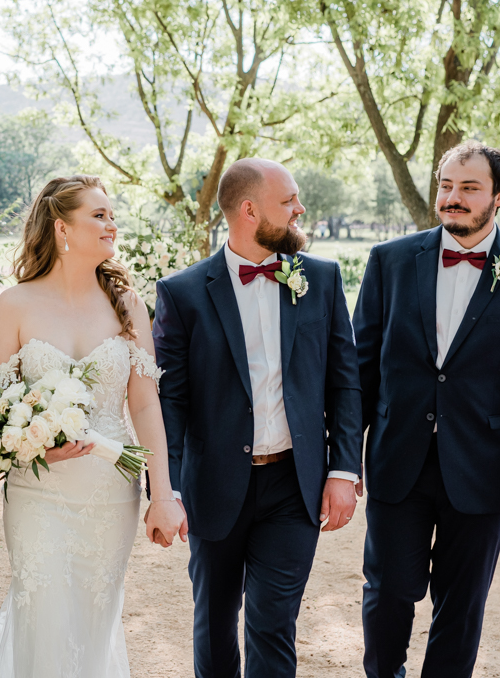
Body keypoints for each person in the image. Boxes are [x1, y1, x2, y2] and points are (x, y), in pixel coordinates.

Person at [353, 141, 500, 678]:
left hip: (484, 466)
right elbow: (359, 372)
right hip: (397, 459)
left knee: (462, 603)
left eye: (469, 187)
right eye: (446, 185)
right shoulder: (389, 261)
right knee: (387, 591)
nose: (452, 197)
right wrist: (340, 462)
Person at [152, 158, 362, 677]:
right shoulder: (182, 293)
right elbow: (170, 402)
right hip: (214, 484)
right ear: (249, 210)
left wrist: (343, 469)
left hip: (294, 484)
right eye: (288, 201)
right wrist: (166, 488)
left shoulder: (321, 278)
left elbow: (344, 381)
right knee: (215, 621)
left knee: (273, 622)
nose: (300, 209)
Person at [0, 175, 184, 678]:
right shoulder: (15, 304)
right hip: (38, 490)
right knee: (44, 619)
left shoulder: (128, 304)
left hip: (109, 494)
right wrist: (33, 449)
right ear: (61, 227)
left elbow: (145, 405)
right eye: (99, 215)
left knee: (93, 621)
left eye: (112, 215)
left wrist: (163, 493)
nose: (112, 224)